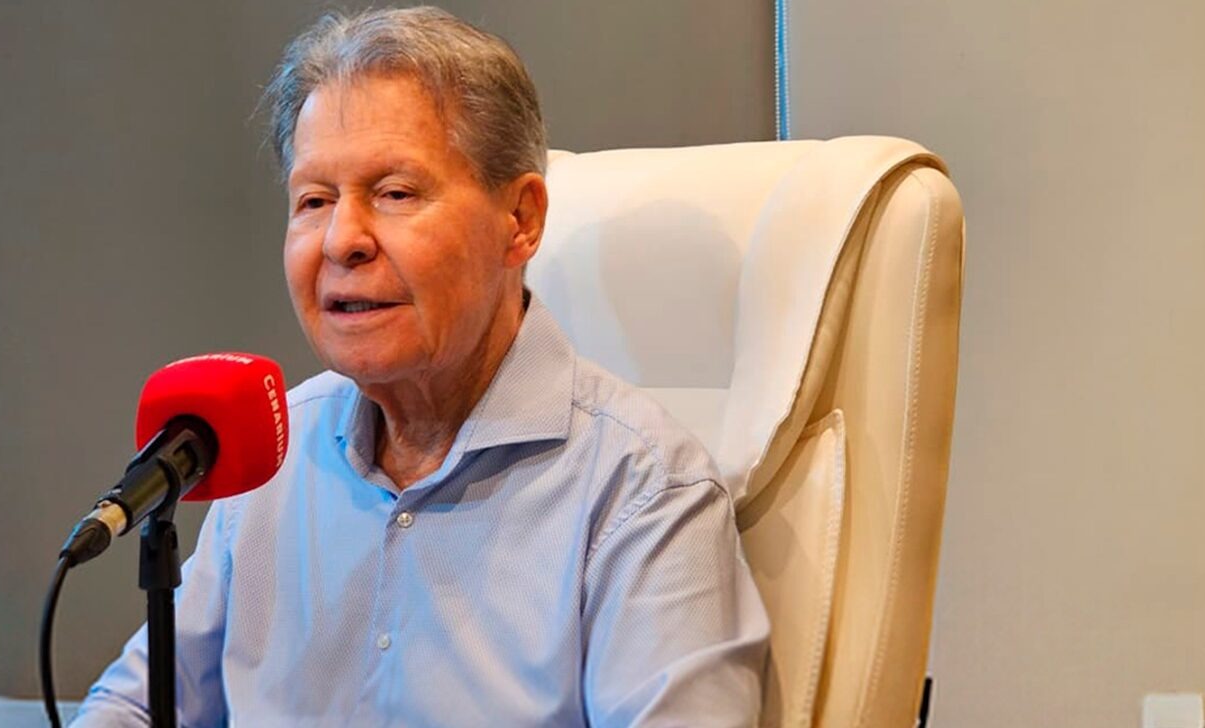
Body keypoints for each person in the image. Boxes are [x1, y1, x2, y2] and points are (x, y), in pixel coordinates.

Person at [72, 7, 768, 726]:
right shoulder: (270, 457)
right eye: (313, 200)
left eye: (394, 193)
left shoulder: (642, 491)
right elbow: (134, 706)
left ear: (521, 221)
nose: (341, 240)